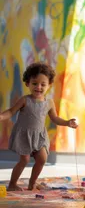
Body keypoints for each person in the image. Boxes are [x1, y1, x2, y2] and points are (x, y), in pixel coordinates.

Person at [0, 62, 78, 191]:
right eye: (34, 84)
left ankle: (32, 182)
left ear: (49, 85)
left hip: (40, 135)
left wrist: (67, 122)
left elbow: (55, 118)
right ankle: (12, 184)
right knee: (24, 160)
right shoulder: (25, 100)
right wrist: (2, 117)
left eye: (43, 84)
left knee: (42, 159)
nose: (38, 87)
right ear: (27, 84)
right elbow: (11, 111)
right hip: (24, 135)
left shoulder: (49, 103)